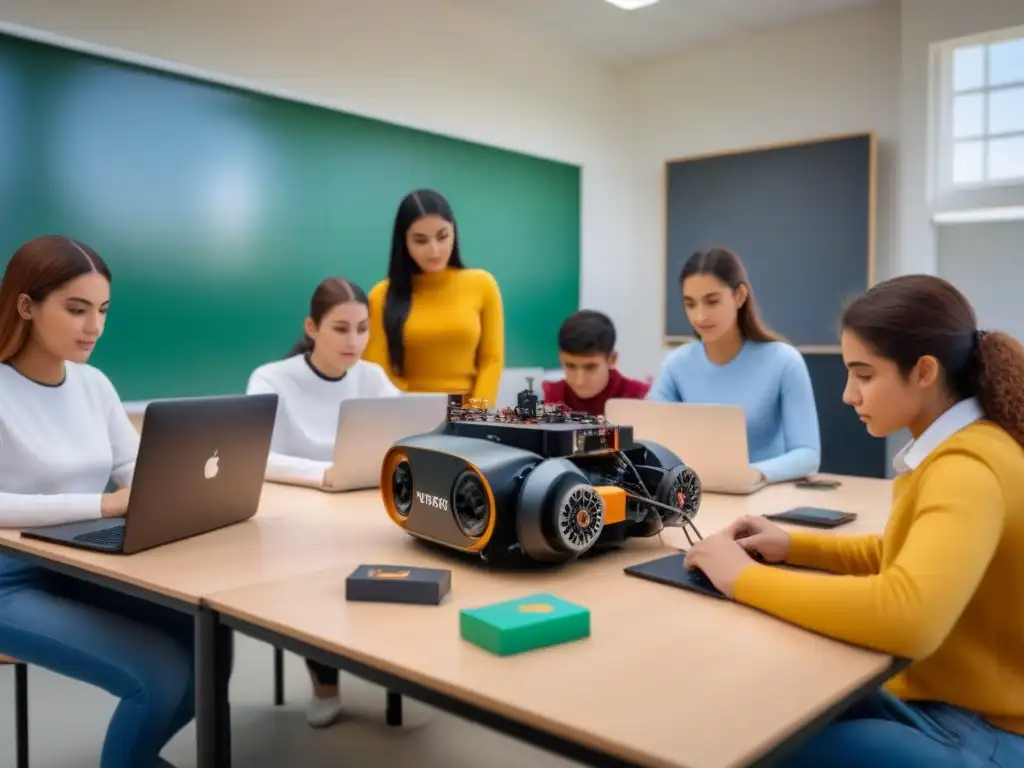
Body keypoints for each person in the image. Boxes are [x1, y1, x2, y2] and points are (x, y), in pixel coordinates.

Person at [685, 274, 1024, 767]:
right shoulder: (964, 446)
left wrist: (743, 578)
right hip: (957, 707)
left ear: (924, 371)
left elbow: (907, 616)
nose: (848, 394)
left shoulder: (967, 469)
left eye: (864, 375)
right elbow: (900, 554)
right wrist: (795, 547)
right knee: (776, 702)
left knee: (757, 751)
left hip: (986, 733)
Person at [0, 236, 195, 768]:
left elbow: (134, 469)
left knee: (204, 645)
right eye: (77, 309)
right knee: (158, 676)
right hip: (8, 581)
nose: (95, 327)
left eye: (103, 311)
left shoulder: (94, 385)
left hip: (79, 563)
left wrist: (174, 486)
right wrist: (102, 506)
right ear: (26, 306)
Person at [246, 276, 398, 728]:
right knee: (314, 580)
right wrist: (322, 477)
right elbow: (255, 456)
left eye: (363, 329)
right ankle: (325, 682)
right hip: (296, 517)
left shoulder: (372, 377)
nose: (355, 341)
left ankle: (397, 667)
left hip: (363, 507)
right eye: (340, 329)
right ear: (311, 328)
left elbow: (412, 429)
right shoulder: (272, 378)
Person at [648, 246, 820, 484]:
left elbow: (808, 455)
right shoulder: (676, 364)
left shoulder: (785, 361)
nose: (700, 316)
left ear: (739, 296)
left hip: (766, 495)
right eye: (690, 304)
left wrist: (752, 474)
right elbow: (650, 437)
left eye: (712, 301)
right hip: (698, 496)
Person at [364, 189, 505, 405]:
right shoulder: (381, 295)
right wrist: (411, 411)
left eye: (443, 236)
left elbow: (492, 360)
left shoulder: (482, 284)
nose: (435, 250)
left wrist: (474, 416)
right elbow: (377, 372)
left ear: (454, 232)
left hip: (469, 419)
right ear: (404, 243)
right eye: (420, 241)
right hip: (404, 414)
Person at [542, 309, 649, 416]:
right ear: (561, 358)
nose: (580, 381)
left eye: (590, 367)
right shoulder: (549, 397)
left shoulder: (641, 398)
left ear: (612, 359)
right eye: (570, 366)